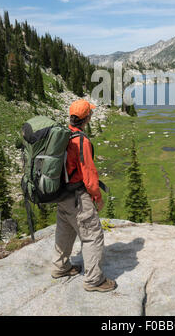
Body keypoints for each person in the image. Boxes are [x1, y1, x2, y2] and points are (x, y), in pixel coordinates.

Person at [51, 99, 116, 292]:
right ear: (86, 118)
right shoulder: (81, 141)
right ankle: (94, 280)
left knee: (65, 229)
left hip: (61, 195)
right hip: (77, 196)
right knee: (93, 236)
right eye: (90, 114)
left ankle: (60, 267)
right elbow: (89, 175)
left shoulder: (63, 136)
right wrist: (97, 197)